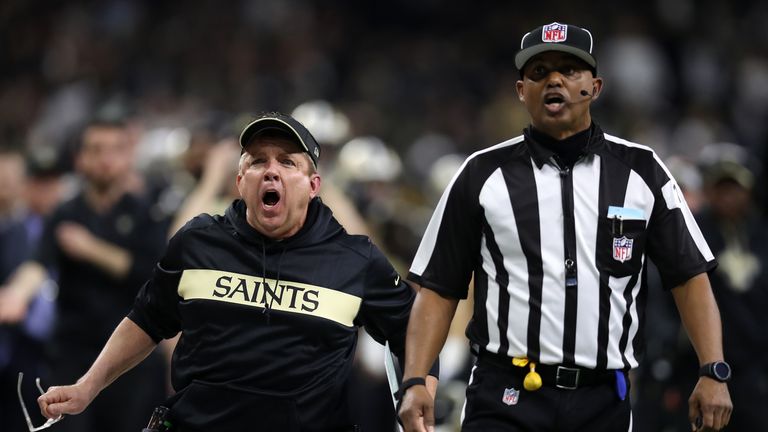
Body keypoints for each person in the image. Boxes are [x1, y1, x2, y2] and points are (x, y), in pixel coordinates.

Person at [398, 22, 732, 432]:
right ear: (522, 91)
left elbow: (689, 276)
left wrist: (712, 370)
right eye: (539, 72)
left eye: (569, 70)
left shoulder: (642, 170)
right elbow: (438, 288)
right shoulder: (481, 173)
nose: (554, 79)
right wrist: (416, 381)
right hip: (506, 394)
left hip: (604, 399)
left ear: (595, 86)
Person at [35, 112, 438, 431]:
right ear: (240, 180)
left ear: (314, 185)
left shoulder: (356, 259)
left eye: (287, 161)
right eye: (258, 160)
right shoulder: (197, 242)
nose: (271, 170)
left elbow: (414, 328)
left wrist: (420, 388)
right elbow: (145, 319)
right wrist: (87, 386)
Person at [0, 119, 168, 432]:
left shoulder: (147, 214)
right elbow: (38, 265)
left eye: (116, 150)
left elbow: (149, 272)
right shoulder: (65, 213)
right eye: (96, 150)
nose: (106, 159)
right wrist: (17, 294)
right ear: (80, 159)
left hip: (131, 358)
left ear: (129, 156)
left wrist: (89, 248)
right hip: (72, 353)